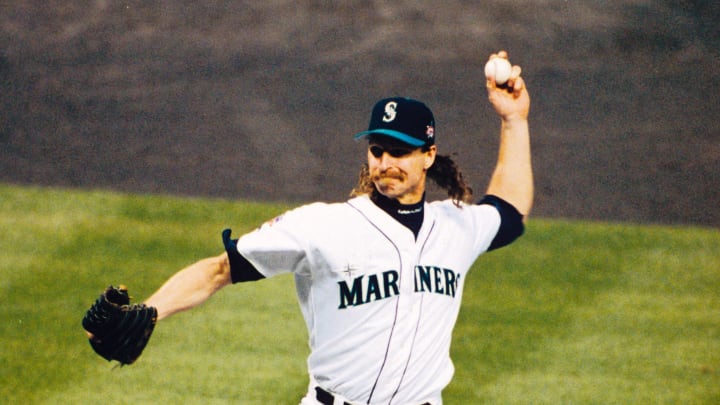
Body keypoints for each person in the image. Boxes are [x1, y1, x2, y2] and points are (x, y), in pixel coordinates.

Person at [134, 50, 532, 404]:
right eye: (377, 150)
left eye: (399, 152)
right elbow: (220, 269)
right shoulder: (324, 226)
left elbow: (510, 210)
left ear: (428, 156)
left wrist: (514, 121)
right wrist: (150, 311)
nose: (385, 162)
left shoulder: (454, 227)